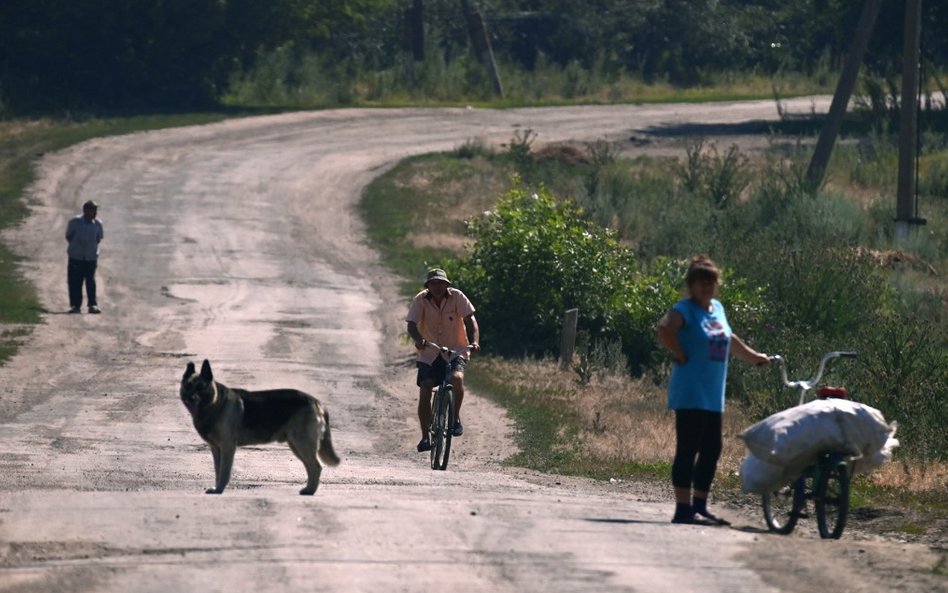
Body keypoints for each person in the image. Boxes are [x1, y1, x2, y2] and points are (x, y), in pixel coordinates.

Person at [656, 255, 768, 525]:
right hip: (690, 392)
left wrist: (753, 357)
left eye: (710, 281)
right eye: (699, 282)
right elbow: (664, 329)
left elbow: (728, 339)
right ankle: (683, 510)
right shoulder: (684, 309)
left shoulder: (716, 308)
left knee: (712, 450)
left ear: (716, 284)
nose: (705, 287)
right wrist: (680, 353)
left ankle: (700, 507)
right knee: (688, 449)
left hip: (712, 394)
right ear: (691, 285)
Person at [406, 268, 480, 453]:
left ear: (447, 285)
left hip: (455, 350)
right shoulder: (421, 299)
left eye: (441, 283)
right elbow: (411, 324)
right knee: (425, 388)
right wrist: (419, 340)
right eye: (433, 283)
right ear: (428, 286)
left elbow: (471, 320)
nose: (437, 287)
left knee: (457, 378)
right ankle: (425, 437)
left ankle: (455, 419)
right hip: (430, 351)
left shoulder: (457, 297)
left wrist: (475, 341)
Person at [65, 200, 104, 314]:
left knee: (90, 281)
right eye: (93, 210)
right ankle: (75, 305)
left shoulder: (97, 224)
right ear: (85, 211)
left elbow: (99, 238)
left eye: (95, 210)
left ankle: (92, 304)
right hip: (76, 256)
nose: (95, 213)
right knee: (75, 281)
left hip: (91, 256)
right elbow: (69, 236)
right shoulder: (75, 222)